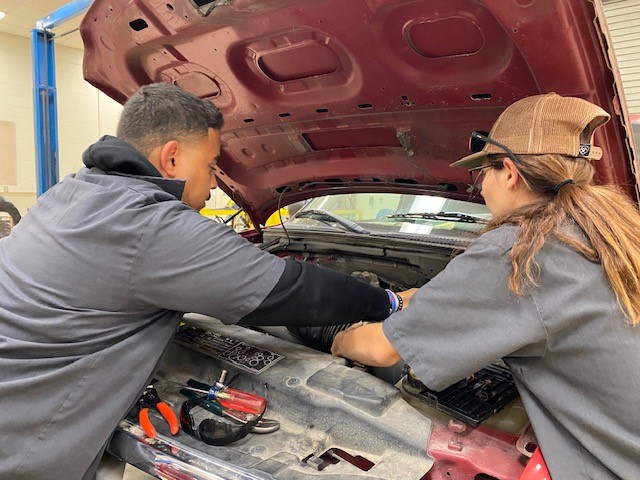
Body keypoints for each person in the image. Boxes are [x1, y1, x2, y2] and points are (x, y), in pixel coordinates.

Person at [0, 83, 411, 480]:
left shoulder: (72, 191)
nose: (215, 185)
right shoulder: (150, 224)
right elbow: (292, 289)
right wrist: (389, 303)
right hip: (24, 439)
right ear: (172, 157)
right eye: (211, 165)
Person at [331, 93, 640, 479]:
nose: (482, 187)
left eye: (483, 173)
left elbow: (379, 350)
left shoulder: (520, 251)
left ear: (509, 172)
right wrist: (412, 300)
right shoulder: (607, 232)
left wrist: (337, 340)